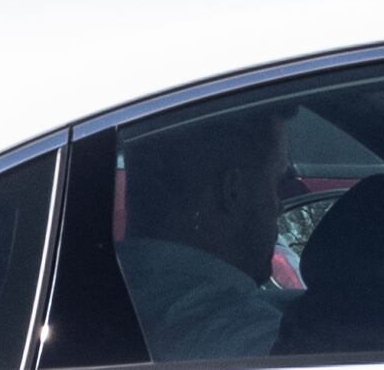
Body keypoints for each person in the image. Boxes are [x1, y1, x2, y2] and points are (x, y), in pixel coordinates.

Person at [115, 110, 291, 359]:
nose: (279, 205)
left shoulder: (91, 297)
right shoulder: (254, 341)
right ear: (233, 192)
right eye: (277, 183)